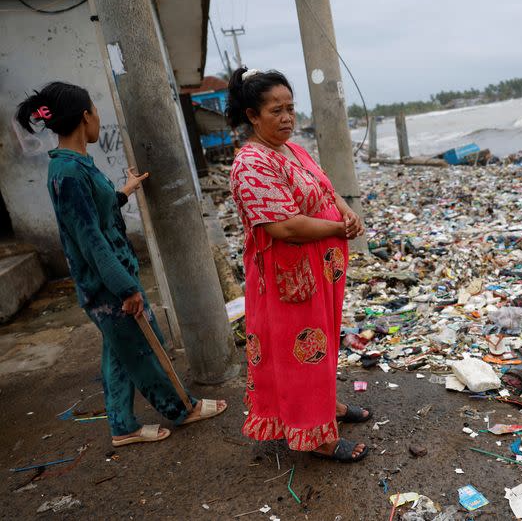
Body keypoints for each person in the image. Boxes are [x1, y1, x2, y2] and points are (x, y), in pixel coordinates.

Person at [15, 82, 227, 447]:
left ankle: (123, 426)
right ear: (85, 116)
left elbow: (96, 213)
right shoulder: (66, 173)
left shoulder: (76, 165)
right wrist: (125, 289)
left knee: (119, 352)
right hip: (107, 286)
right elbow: (90, 239)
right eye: (95, 110)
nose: (98, 117)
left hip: (110, 280)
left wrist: (125, 190)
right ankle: (183, 408)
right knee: (147, 348)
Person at [227, 68, 370, 462]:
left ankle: (326, 410)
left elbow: (324, 186)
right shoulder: (251, 164)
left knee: (322, 345)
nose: (287, 117)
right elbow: (284, 226)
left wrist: (346, 212)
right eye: (276, 110)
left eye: (291, 108)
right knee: (301, 352)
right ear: (253, 116)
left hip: (320, 271)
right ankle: (316, 437)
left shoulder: (291, 148)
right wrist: (339, 227)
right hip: (290, 277)